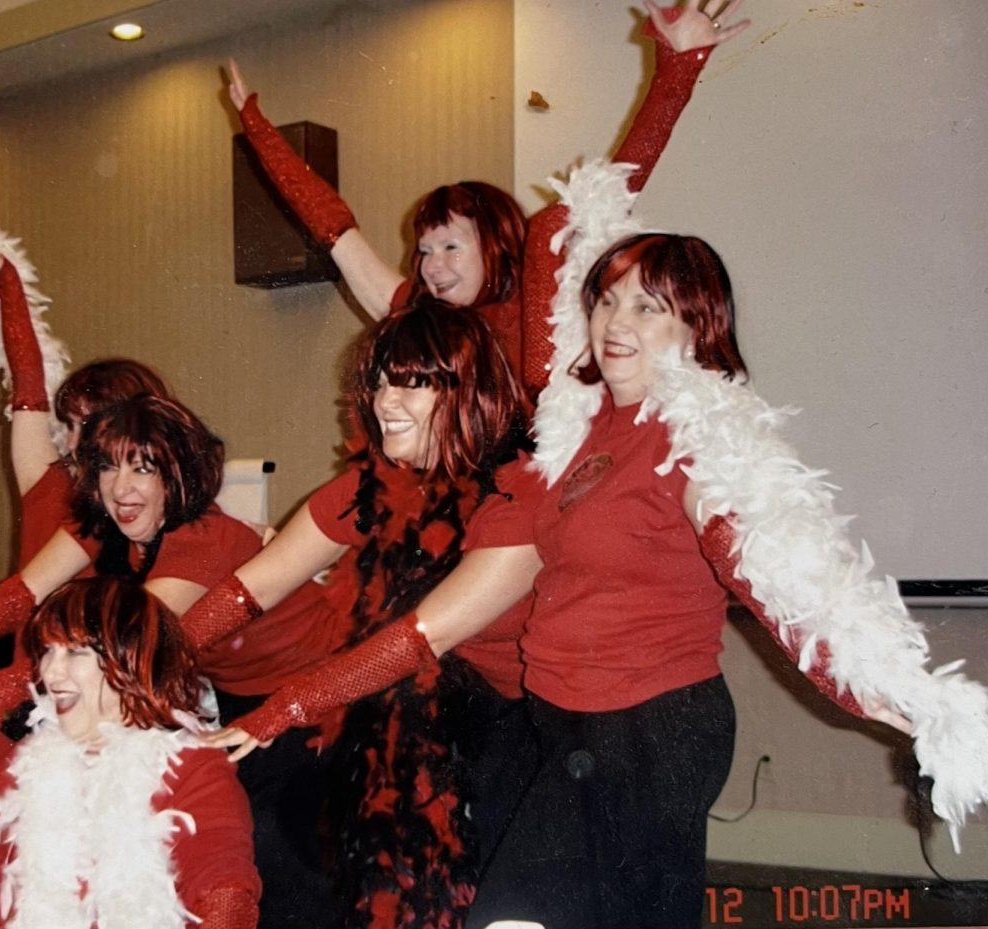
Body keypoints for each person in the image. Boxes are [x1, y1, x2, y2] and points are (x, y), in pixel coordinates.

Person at [473, 231, 988, 928]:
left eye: (650, 307)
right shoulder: (584, 425)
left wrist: (869, 684)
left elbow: (761, 568)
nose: (616, 323)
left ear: (697, 325)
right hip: (567, 726)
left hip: (652, 731)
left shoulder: (698, 438)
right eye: (607, 299)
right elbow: (553, 229)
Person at [180, 298, 543, 929]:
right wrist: (140, 657)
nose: (385, 401)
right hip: (397, 708)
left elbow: (420, 636)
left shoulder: (520, 491)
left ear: (468, 389)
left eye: (413, 382)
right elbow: (251, 588)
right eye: (379, 382)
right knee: (283, 833)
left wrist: (285, 708)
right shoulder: (373, 487)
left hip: (524, 730)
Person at [0, 393, 343, 929]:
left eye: (142, 468)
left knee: (269, 845)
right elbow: (19, 597)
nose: (121, 487)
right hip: (240, 702)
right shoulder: (115, 520)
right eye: (106, 466)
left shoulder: (203, 539)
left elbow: (126, 650)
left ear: (177, 476)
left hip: (324, 700)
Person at [224, 0, 749, 394]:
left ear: (495, 243)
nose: (432, 266)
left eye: (451, 247)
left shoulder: (543, 294)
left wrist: (677, 71)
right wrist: (259, 132)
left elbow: (609, 189)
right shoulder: (418, 313)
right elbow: (333, 225)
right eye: (424, 250)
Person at [0, 577, 260, 929]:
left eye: (75, 652)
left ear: (129, 662)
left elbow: (226, 895)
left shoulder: (195, 769)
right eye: (47, 650)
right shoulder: (23, 766)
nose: (50, 671)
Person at [0, 224, 174, 564]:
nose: (73, 443)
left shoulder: (167, 523)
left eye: (87, 426)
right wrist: (6, 281)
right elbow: (29, 387)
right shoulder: (51, 490)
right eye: (70, 426)